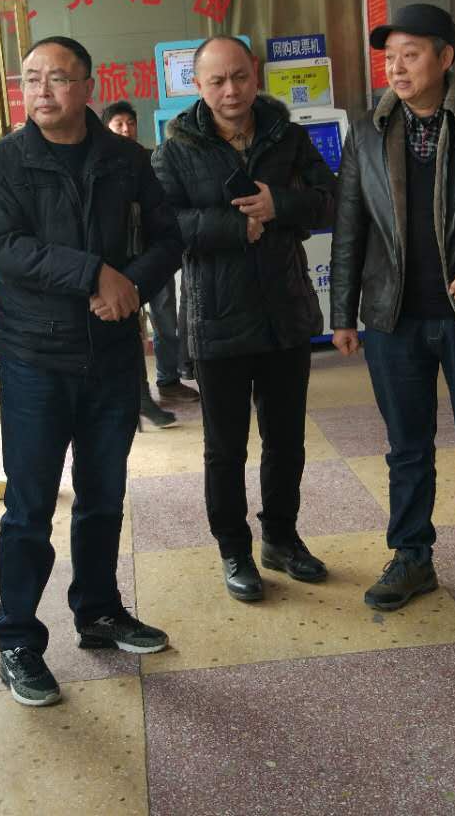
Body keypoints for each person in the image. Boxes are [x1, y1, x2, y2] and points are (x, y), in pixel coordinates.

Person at [0, 36, 181, 707]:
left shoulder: (126, 160)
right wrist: (95, 273)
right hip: (35, 358)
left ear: (88, 85)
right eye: (31, 78)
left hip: (111, 355)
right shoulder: (0, 163)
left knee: (103, 496)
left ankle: (99, 611)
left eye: (57, 78)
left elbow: (169, 238)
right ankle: (18, 641)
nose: (42, 90)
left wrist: (131, 285)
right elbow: (5, 248)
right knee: (29, 506)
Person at [329, 3, 455, 618]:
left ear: (445, 57)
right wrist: (343, 313)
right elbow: (350, 226)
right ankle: (411, 556)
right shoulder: (367, 131)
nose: (397, 67)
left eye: (411, 55)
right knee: (406, 447)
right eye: (390, 57)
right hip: (394, 318)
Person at [151, 35, 337, 602]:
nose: (230, 90)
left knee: (286, 440)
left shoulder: (287, 135)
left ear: (255, 74)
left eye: (239, 76)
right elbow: (162, 226)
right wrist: (234, 226)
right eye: (217, 81)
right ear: (197, 86)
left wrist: (280, 204)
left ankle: (281, 538)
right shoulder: (175, 149)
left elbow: (331, 199)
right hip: (218, 319)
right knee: (225, 448)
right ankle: (234, 550)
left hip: (285, 312)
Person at [101, 100, 191, 430]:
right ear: (107, 128)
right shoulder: (102, 162)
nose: (126, 129)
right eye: (118, 124)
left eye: (130, 123)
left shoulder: (151, 158)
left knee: (165, 320)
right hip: (120, 262)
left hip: (153, 255)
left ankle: (168, 379)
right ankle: (139, 398)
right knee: (129, 328)